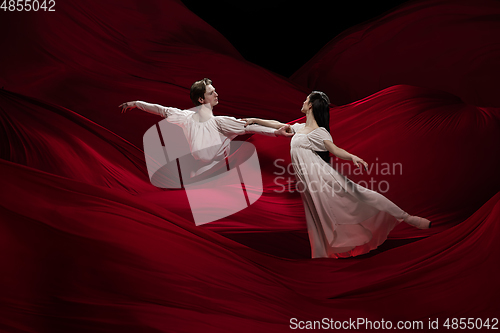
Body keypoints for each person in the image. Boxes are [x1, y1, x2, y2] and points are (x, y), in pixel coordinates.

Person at [243, 91, 431, 259]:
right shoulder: (300, 128)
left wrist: (352, 157)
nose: (303, 102)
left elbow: (334, 149)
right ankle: (324, 254)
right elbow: (279, 125)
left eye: (306, 100)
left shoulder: (320, 132)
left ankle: (407, 217)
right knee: (318, 214)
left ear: (310, 105)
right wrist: (255, 120)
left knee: (358, 193)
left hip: (321, 175)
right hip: (308, 182)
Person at [119, 78, 292, 177]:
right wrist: (135, 103)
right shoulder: (184, 116)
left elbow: (250, 127)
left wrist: (276, 132)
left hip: (219, 172)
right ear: (201, 100)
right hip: (198, 172)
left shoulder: (221, 122)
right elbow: (159, 109)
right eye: (211, 92)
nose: (216, 94)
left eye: (215, 91)